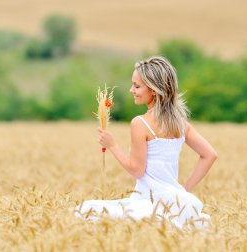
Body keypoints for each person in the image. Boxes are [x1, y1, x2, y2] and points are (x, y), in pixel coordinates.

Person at [75, 56, 217, 228]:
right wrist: (183, 191)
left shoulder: (140, 123)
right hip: (176, 204)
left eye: (137, 86)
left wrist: (112, 145)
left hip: (147, 202)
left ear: (154, 90)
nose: (131, 90)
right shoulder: (181, 123)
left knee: (86, 210)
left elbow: (137, 170)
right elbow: (210, 155)